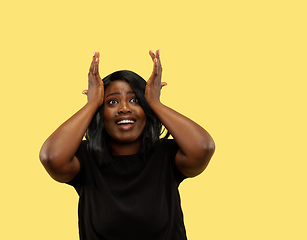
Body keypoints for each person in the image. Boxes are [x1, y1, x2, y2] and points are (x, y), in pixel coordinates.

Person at [39, 50, 215, 240]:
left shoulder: (166, 155)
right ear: (100, 111)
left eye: (135, 100)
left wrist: (156, 103)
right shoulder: (85, 158)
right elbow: (52, 157)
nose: (124, 108)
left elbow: (203, 147)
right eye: (112, 101)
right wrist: (91, 104)